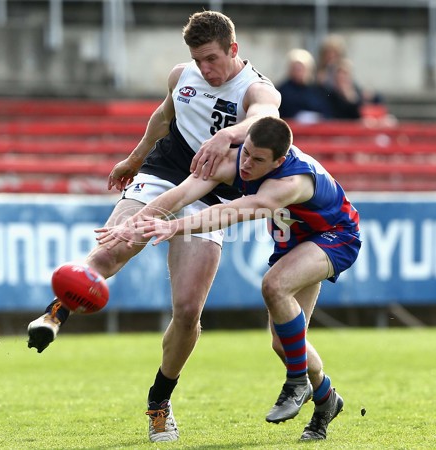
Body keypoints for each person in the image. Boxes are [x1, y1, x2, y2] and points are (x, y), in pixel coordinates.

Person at [26, 10, 281, 443]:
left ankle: (159, 402)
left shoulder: (254, 87)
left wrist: (228, 135)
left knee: (187, 311)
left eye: (213, 59)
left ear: (233, 50)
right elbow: (164, 117)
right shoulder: (182, 75)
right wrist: (135, 156)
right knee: (113, 248)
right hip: (163, 173)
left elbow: (266, 117)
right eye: (198, 59)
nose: (204, 68)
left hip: (210, 196)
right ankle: (56, 313)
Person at [96, 116, 361, 441]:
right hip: (295, 242)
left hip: (335, 236)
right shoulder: (236, 158)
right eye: (246, 152)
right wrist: (134, 222)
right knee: (284, 343)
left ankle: (296, 382)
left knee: (273, 285)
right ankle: (326, 400)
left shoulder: (290, 182)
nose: (246, 164)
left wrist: (175, 227)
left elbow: (230, 212)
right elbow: (181, 194)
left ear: (279, 161)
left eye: (257, 159)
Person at [277, 48, 333, 123]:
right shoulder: (282, 91)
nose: (299, 72)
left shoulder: (318, 90)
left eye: (301, 68)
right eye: (296, 68)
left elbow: (327, 112)